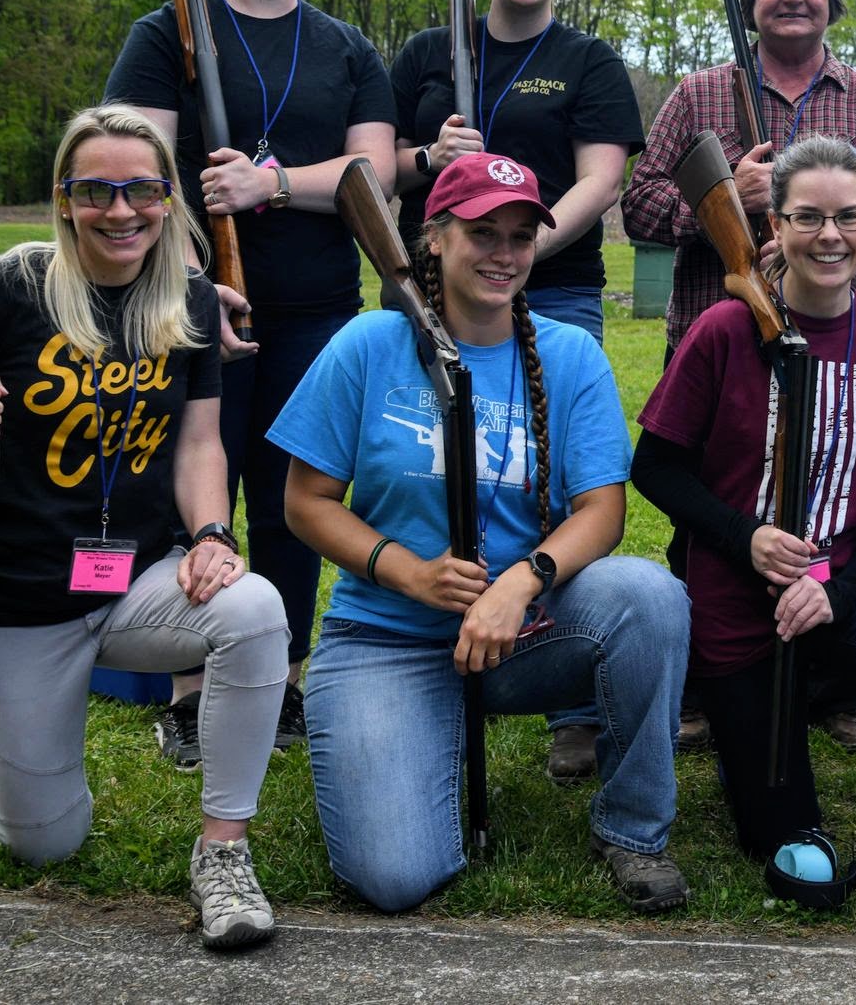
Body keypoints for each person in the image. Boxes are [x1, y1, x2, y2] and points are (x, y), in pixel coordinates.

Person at [0, 105, 290, 950]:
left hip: (134, 581)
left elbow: (198, 442)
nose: (121, 211)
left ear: (167, 196)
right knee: (46, 842)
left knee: (255, 609)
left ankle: (224, 851)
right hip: (15, 600)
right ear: (64, 198)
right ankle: (22, 736)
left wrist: (213, 533)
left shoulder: (186, 296)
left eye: (142, 189)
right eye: (96, 191)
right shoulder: (5, 285)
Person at [272, 152, 691, 915]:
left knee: (649, 595)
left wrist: (520, 582)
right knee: (394, 874)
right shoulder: (367, 344)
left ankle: (633, 828)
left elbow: (603, 510)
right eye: (483, 232)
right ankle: (413, 734)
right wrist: (409, 571)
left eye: (520, 235)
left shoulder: (571, 355)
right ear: (435, 237)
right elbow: (305, 502)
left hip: (520, 632)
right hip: (388, 635)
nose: (504, 252)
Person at [631, 136, 856, 934]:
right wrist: (745, 537)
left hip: (848, 577)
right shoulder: (723, 328)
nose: (830, 235)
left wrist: (837, 590)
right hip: (737, 589)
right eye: (808, 216)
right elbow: (656, 469)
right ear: (774, 225)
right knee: (778, 834)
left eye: (849, 216)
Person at [104, 0, 394, 765]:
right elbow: (140, 173)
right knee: (192, 485)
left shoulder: (349, 48)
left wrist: (268, 183)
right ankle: (189, 689)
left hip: (317, 309)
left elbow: (373, 174)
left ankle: (284, 678)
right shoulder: (165, 34)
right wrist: (197, 281)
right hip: (188, 304)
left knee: (293, 495)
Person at [621, 0, 856, 758]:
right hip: (721, 344)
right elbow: (639, 203)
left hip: (840, 350)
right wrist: (723, 200)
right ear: (751, 0)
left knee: (834, 504)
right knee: (710, 511)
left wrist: (824, 254)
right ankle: (704, 681)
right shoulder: (698, 95)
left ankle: (836, 684)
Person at [389, 0, 645, 344]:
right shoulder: (425, 52)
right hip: (428, 287)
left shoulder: (591, 61)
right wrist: (431, 156)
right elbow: (380, 173)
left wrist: (515, 254)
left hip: (554, 293)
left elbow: (601, 183)